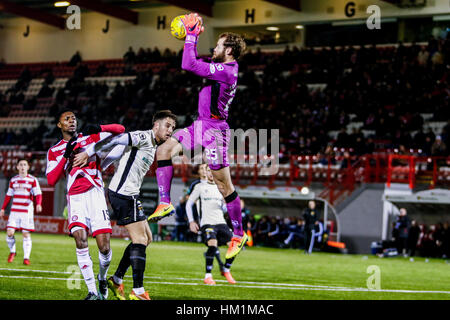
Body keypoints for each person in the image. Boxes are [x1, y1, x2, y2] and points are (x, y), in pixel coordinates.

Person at [147, 13, 248, 260]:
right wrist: (190, 38)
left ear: (230, 50)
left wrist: (191, 34)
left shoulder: (228, 71)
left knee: (223, 184)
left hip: (215, 130)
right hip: (199, 125)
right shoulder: (221, 68)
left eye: (219, 44)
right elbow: (190, 60)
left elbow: (188, 65)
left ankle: (238, 234)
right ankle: (164, 202)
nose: (214, 47)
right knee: (163, 150)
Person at [73, 110, 177, 300]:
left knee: (147, 238)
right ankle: (138, 291)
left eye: (173, 128)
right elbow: (116, 139)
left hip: (130, 195)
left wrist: (103, 165)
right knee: (139, 240)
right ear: (156, 125)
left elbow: (120, 150)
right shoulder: (144, 136)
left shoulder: (153, 145)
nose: (170, 130)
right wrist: (88, 153)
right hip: (122, 195)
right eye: (168, 125)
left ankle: (117, 279)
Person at [46, 110, 125, 300]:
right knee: (80, 241)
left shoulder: (90, 138)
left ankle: (102, 278)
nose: (71, 121)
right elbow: (51, 180)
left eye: (73, 118)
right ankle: (91, 291)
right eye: (66, 119)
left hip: (96, 194)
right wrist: (65, 157)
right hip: (76, 198)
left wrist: (99, 127)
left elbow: (121, 132)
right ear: (59, 125)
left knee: (104, 247)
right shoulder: (55, 150)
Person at [185, 165, 237, 285]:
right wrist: (191, 221)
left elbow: (224, 209)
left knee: (234, 247)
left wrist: (226, 205)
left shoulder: (222, 188)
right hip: (207, 222)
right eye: (208, 171)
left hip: (221, 222)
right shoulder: (199, 187)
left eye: (212, 171)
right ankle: (208, 276)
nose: (210, 173)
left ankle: (226, 269)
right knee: (213, 246)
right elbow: (189, 204)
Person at [0, 159, 42, 265]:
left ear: (28, 167)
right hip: (14, 211)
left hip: (26, 211)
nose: (23, 167)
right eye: (21, 165)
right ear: (17, 167)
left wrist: (38, 204)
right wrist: (3, 208)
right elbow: (9, 195)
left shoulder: (33, 180)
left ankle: (26, 258)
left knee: (25, 234)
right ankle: (12, 251)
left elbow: (38, 193)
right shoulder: (13, 180)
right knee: (10, 233)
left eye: (24, 165)